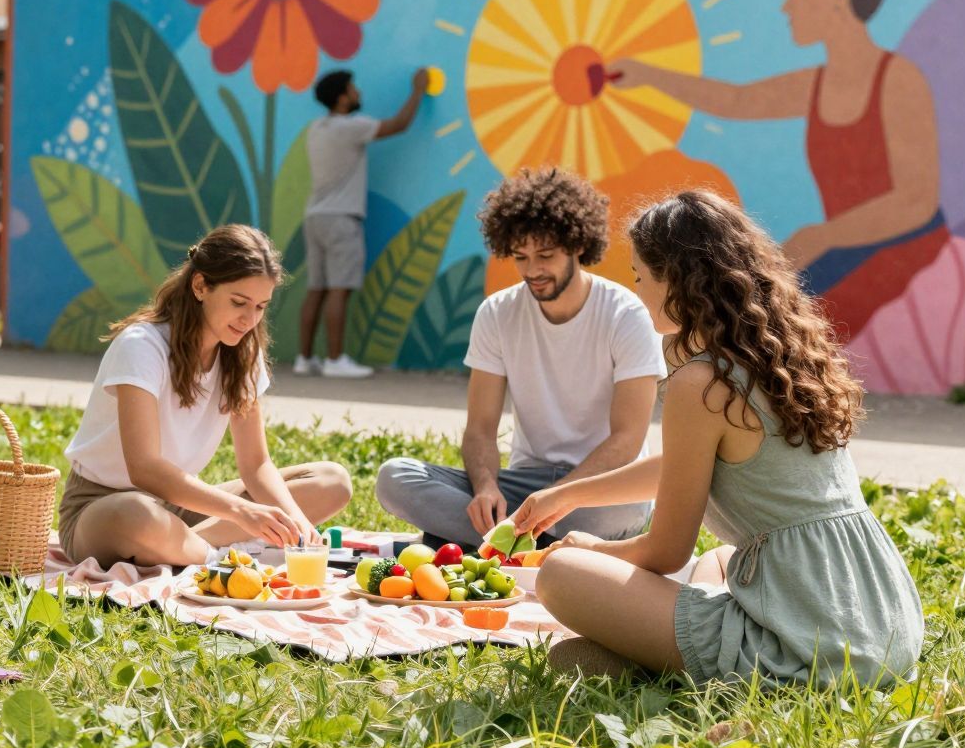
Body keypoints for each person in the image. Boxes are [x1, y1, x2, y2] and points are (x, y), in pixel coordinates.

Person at [512, 191, 924, 685]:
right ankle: (653, 656)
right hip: (880, 620)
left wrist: (585, 551)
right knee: (721, 560)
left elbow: (666, 554)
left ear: (678, 282)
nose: (637, 289)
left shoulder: (700, 384)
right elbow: (688, 464)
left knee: (563, 577)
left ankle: (656, 665)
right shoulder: (776, 357)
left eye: (642, 276)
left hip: (815, 649)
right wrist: (569, 494)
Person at [609, 0, 945, 343]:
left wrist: (822, 236)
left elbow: (917, 201)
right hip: (842, 247)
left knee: (762, 318)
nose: (787, 5)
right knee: (748, 304)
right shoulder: (817, 84)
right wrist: (645, 74)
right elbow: (737, 101)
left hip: (904, 243)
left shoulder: (898, 81)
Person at [375, 167, 661, 550]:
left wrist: (557, 498)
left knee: (612, 513)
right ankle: (530, 544)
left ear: (578, 245)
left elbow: (626, 441)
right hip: (526, 484)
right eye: (521, 257)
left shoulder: (626, 314)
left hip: (599, 489)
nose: (532, 270)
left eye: (545, 255)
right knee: (394, 478)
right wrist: (486, 486)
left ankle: (491, 541)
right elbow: (480, 429)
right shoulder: (497, 313)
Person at [59, 224, 353, 567]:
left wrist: (294, 521)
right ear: (200, 285)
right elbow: (145, 470)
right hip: (104, 508)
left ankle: (187, 547)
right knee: (138, 516)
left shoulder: (243, 352)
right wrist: (242, 512)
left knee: (332, 481)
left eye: (260, 306)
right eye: (239, 302)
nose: (249, 319)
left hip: (182, 507)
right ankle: (213, 556)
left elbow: (256, 465)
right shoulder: (142, 345)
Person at [295, 68, 428, 378]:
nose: (358, 93)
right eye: (353, 89)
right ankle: (335, 359)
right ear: (342, 97)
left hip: (314, 216)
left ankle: (304, 359)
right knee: (340, 290)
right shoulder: (351, 127)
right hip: (341, 218)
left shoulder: (316, 128)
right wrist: (418, 90)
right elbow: (399, 125)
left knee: (317, 289)